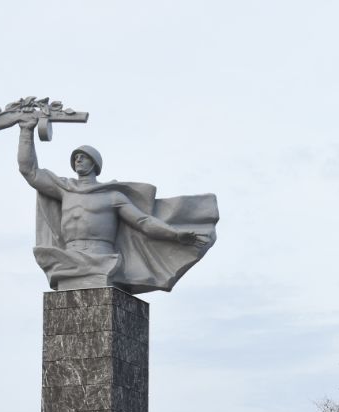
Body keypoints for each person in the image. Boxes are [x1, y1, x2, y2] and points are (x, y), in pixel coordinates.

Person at [15, 116, 216, 292]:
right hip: (66, 259)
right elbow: (29, 171)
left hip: (102, 260)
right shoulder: (64, 189)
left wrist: (175, 235)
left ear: (94, 163)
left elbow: (143, 222)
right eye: (75, 158)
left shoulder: (112, 197)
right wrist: (26, 131)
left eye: (82, 157)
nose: (77, 161)